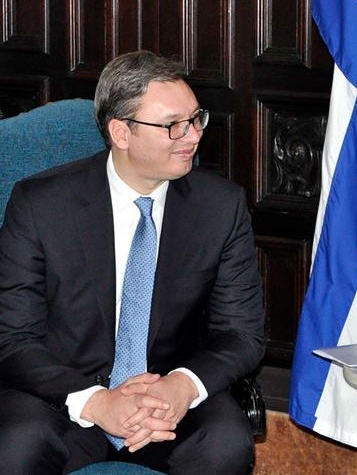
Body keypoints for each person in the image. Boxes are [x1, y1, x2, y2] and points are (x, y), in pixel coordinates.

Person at [0, 51, 264, 475]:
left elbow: (242, 335)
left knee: (225, 443)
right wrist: (97, 402)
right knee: (15, 445)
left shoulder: (220, 206)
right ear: (121, 132)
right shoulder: (41, 205)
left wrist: (182, 387)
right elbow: (12, 337)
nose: (192, 136)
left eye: (197, 119)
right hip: (65, 404)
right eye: (173, 125)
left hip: (167, 407)